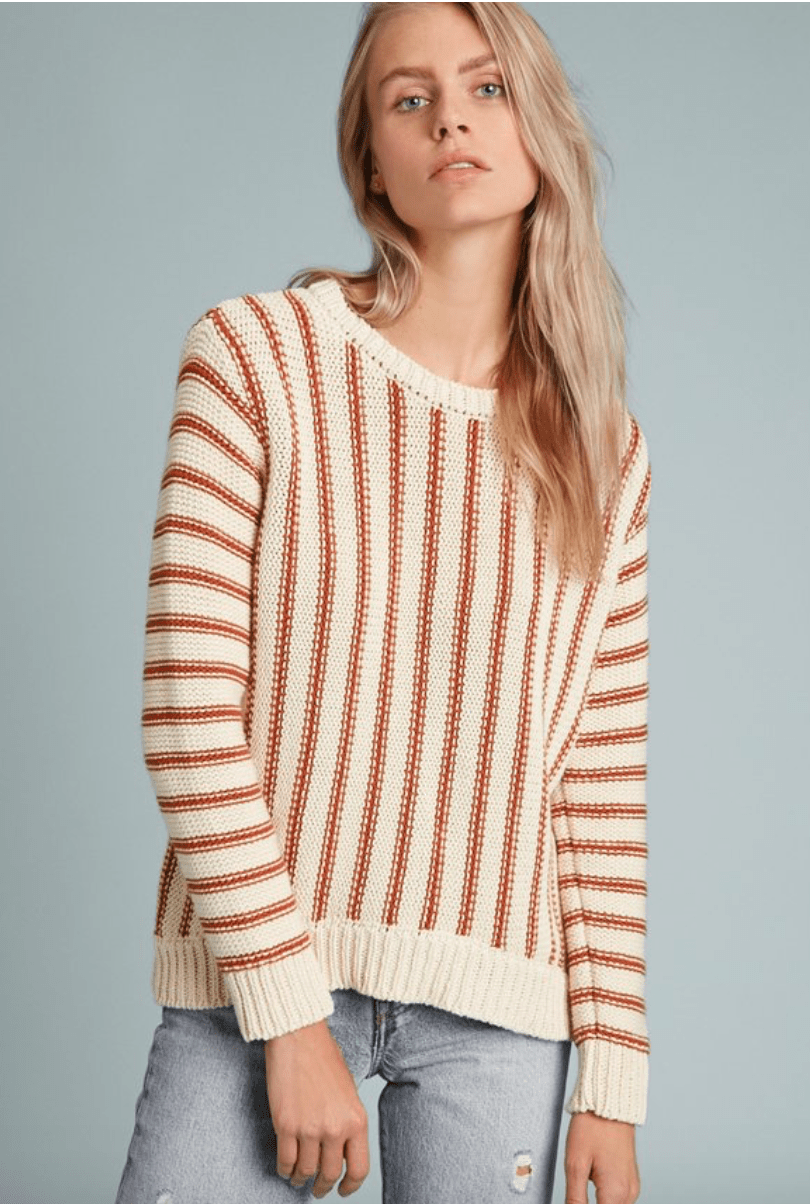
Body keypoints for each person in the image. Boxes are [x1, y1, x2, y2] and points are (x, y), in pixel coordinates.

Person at [114, 4, 651, 1202]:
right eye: (411, 99)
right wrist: (289, 1011)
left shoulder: (606, 454)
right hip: (252, 988)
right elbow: (190, 716)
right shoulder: (253, 358)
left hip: (500, 1023)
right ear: (371, 161)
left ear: (540, 127)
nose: (452, 117)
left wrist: (613, 1080)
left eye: (487, 87)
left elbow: (596, 785)